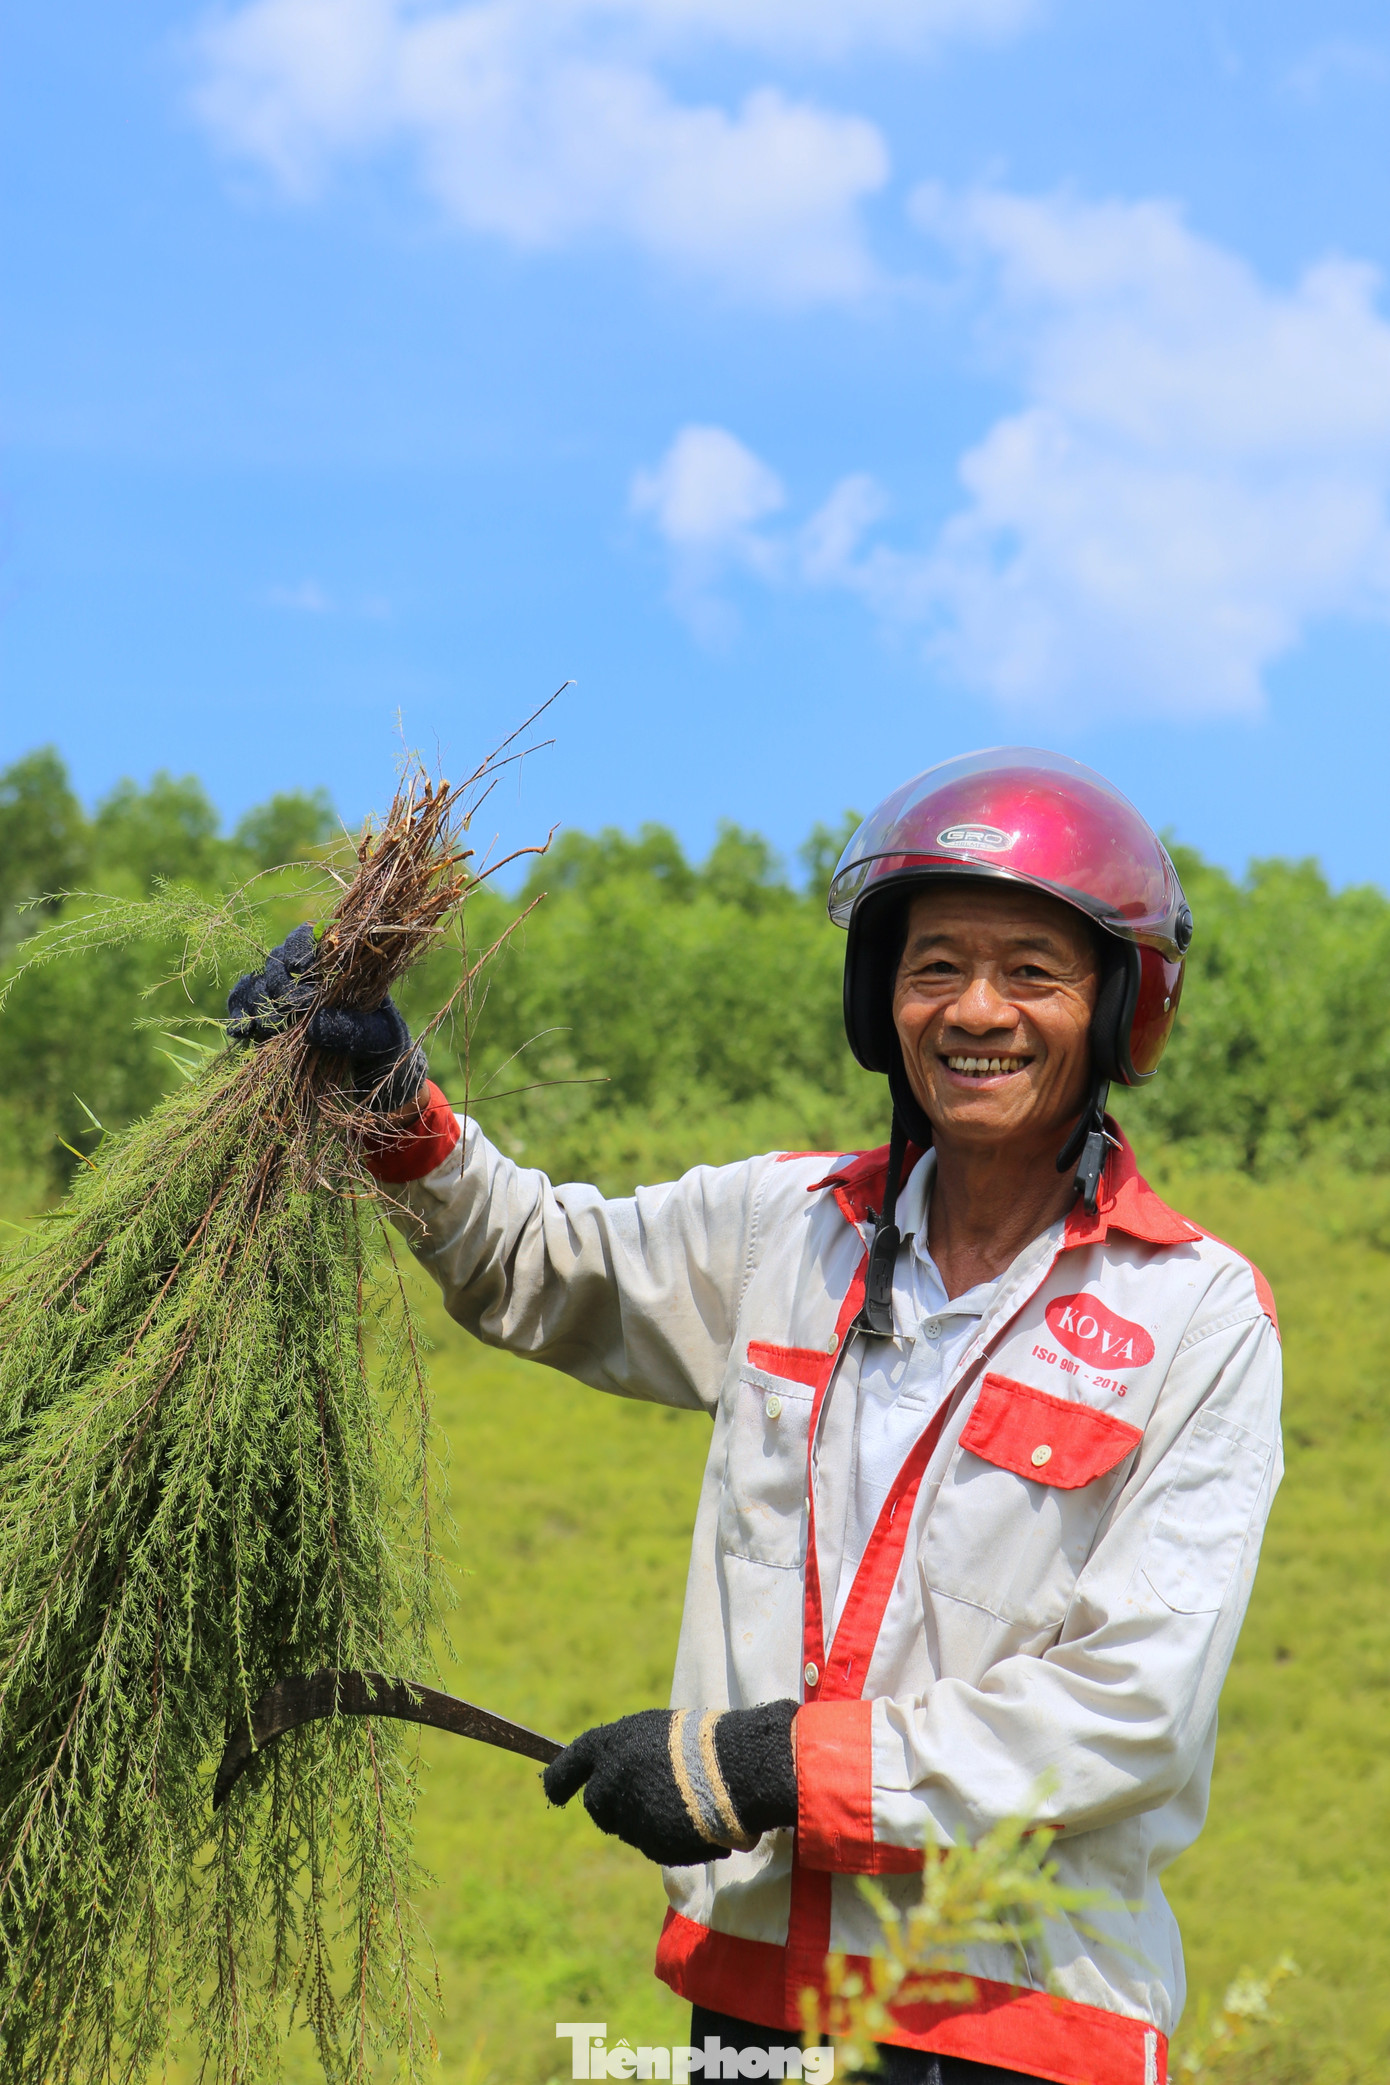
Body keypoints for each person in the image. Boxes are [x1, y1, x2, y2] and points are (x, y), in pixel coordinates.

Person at [228, 748, 1282, 2085]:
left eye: (1031, 970)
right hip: (748, 2014)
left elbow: (1129, 1711)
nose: (975, 1010)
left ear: (1119, 1004)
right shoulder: (786, 1227)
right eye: (931, 964)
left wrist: (777, 1765)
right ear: (876, 999)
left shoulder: (1195, 1317)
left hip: (1013, 2029)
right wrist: (387, 1094)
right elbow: (544, 1265)